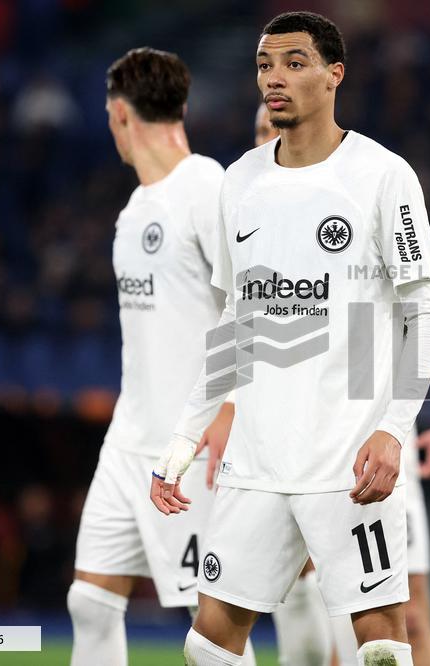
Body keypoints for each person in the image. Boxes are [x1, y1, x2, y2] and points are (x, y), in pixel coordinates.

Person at [150, 12, 430, 666]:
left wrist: (394, 429)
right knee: (208, 644)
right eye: (264, 65)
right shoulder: (240, 182)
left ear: (334, 74)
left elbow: (425, 313)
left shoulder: (382, 175)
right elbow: (236, 322)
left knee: (381, 646)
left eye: (293, 62)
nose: (274, 78)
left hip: (347, 462)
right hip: (256, 463)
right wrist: (184, 435)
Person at [254, 104, 430, 666]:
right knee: (316, 614)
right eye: (262, 132)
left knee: (403, 616)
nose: (272, 139)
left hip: (373, 446)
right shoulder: (249, 232)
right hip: (289, 451)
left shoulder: (360, 211)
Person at [67, 47, 249, 665]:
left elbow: (252, 306)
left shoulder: (208, 188)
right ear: (181, 108)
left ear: (120, 115)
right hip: (128, 440)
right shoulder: (135, 210)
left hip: (191, 443)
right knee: (90, 603)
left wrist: (228, 410)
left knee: (213, 627)